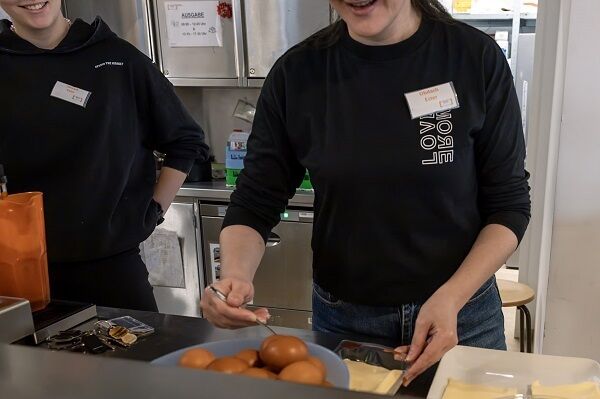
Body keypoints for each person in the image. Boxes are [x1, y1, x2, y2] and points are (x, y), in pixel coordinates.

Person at [200, 0, 530, 385]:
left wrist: (452, 298)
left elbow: (509, 204)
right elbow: (255, 199)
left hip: (463, 314)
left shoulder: (473, 58)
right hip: (347, 320)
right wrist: (234, 276)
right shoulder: (299, 73)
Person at [0, 0, 209, 311]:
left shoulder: (118, 58)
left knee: (136, 359)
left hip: (114, 269)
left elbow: (186, 140)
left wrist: (152, 212)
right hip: (23, 273)